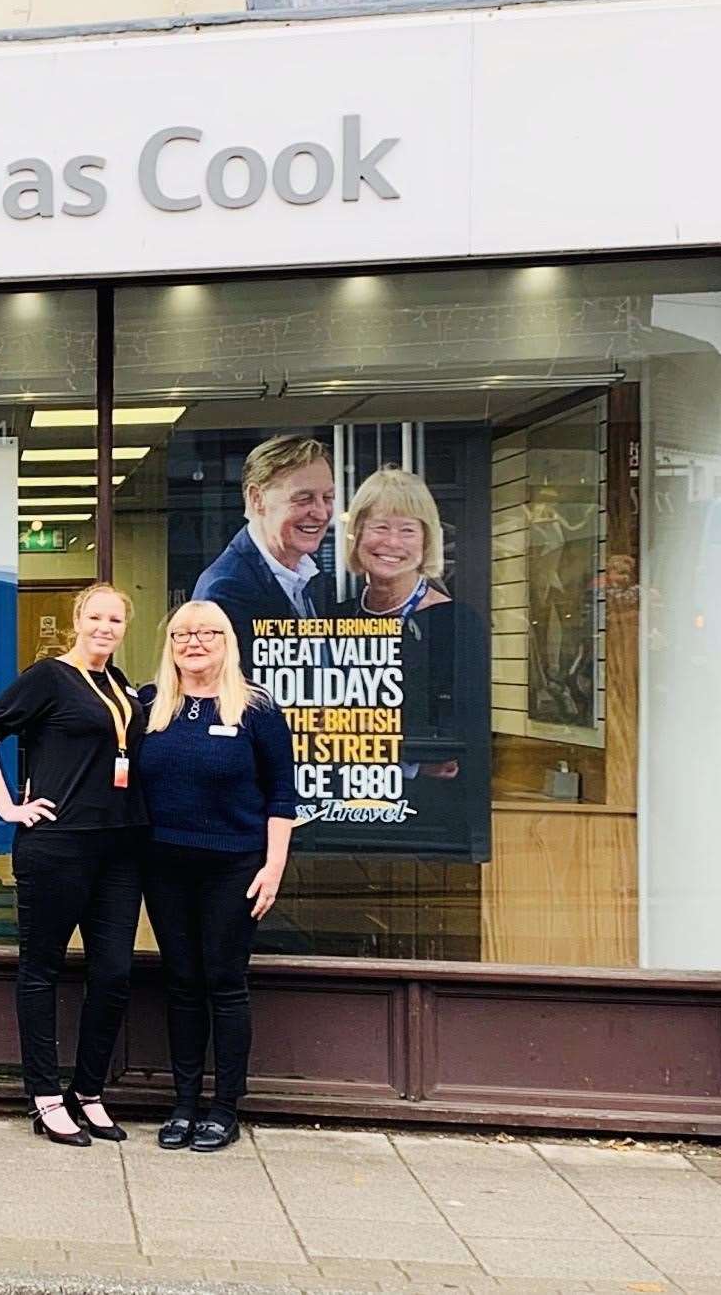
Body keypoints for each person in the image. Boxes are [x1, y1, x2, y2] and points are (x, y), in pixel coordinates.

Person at [0, 583, 148, 1146]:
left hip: (119, 849)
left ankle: (88, 1092)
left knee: (114, 973)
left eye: (115, 619)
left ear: (124, 628)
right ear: (77, 619)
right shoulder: (48, 676)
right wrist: (8, 808)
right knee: (40, 971)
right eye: (95, 616)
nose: (104, 627)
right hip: (58, 845)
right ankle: (45, 1097)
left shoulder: (120, 685)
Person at [138, 600, 295, 1152]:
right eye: (182, 633)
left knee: (224, 984)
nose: (194, 642)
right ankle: (183, 1104)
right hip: (164, 866)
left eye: (207, 632)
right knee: (181, 983)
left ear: (226, 640)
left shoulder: (256, 709)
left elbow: (282, 795)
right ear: (170, 644)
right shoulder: (150, 704)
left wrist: (273, 865)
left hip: (235, 867)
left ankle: (224, 1108)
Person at [343, 465, 488, 850]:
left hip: (427, 823)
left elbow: (456, 751)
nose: (392, 542)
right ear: (356, 535)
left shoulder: (457, 624)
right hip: (344, 818)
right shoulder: (335, 617)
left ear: (427, 542)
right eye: (379, 527)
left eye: (407, 530)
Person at [192, 434, 337, 622]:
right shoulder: (225, 591)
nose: (321, 514)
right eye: (303, 498)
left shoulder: (310, 574)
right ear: (257, 499)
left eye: (327, 498)